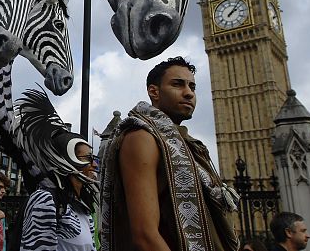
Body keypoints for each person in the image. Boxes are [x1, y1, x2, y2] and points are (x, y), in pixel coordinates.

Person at [100, 56, 239, 251]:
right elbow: (145, 235)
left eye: (192, 87)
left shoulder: (185, 145)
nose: (189, 93)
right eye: (178, 85)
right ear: (154, 92)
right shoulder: (142, 137)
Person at [13, 89, 98, 251]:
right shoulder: (45, 200)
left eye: (93, 159)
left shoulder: (84, 208)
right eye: (87, 158)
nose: (93, 165)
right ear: (65, 161)